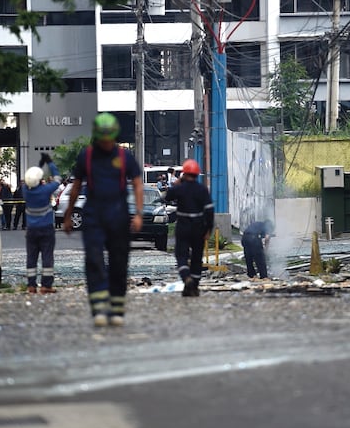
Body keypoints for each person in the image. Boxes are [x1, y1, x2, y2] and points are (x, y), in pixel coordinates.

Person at [64, 113, 143, 327]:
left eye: (110, 138)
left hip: (118, 216)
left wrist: (138, 213)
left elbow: (137, 183)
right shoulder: (86, 156)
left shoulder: (125, 157)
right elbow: (76, 186)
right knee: (94, 260)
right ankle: (98, 307)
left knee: (119, 262)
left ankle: (117, 308)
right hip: (94, 216)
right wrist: (68, 215)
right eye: (103, 138)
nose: (107, 142)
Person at [162, 159, 213, 297]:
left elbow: (167, 197)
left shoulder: (179, 188)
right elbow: (209, 210)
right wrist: (209, 229)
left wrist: (177, 183)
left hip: (183, 226)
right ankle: (194, 286)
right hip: (199, 227)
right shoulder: (202, 189)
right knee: (197, 258)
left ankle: (186, 279)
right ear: (197, 174)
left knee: (181, 255)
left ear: (184, 174)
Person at [23, 154, 61, 294]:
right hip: (46, 229)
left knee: (31, 258)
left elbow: (31, 180)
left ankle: (31, 286)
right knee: (47, 257)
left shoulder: (26, 191)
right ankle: (46, 286)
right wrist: (49, 163)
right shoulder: (45, 191)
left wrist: (38, 167)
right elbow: (57, 179)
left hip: (31, 230)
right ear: (39, 180)